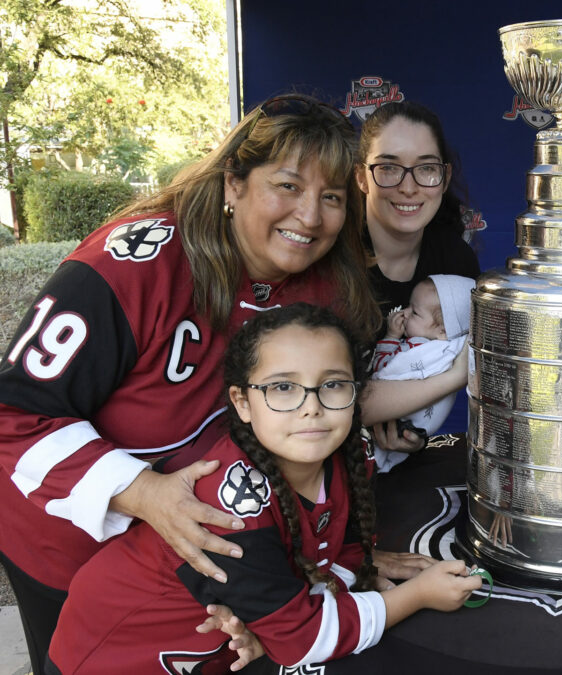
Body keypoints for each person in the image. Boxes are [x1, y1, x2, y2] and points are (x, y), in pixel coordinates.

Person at [0, 93, 430, 674]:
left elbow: (306, 438)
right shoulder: (131, 265)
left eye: (331, 197)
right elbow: (13, 413)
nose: (310, 216)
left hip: (209, 566)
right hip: (71, 551)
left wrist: (327, 555)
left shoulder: (328, 287)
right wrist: (145, 493)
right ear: (234, 182)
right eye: (287, 186)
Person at [46, 303, 482, 674]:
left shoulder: (352, 457)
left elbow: (341, 559)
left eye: (332, 384)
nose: (311, 407)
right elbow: (305, 639)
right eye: (283, 387)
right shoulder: (231, 502)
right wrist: (418, 596)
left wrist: (282, 620)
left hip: (212, 653)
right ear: (241, 402)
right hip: (114, 656)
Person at [355, 101, 482, 456]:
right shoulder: (334, 259)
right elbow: (336, 400)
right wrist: (454, 377)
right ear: (361, 178)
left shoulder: (454, 263)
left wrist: (402, 417)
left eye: (426, 169)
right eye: (389, 168)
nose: (409, 187)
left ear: (443, 177)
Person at [370, 274, 476, 472]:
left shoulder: (420, 351)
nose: (405, 313)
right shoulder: (449, 352)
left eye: (415, 312)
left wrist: (391, 337)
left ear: (443, 331)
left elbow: (383, 370)